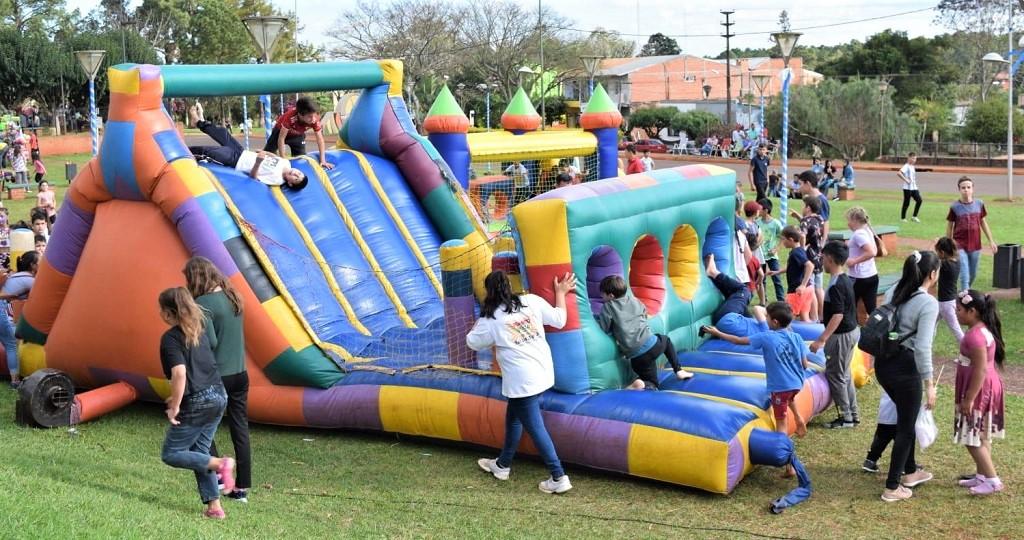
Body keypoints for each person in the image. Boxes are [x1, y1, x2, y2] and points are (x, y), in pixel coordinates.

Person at [469, 270, 576, 494]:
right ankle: (502, 465)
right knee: (515, 418)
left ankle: (558, 476)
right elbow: (559, 319)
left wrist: (483, 318)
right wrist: (560, 293)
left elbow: (472, 343)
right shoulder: (531, 301)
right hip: (543, 373)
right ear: (509, 286)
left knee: (535, 428)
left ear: (489, 292)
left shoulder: (491, 319)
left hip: (523, 381)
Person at [705, 302, 811, 473]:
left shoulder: (766, 336)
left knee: (781, 424)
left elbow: (739, 341)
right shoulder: (796, 337)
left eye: (767, 317)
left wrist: (717, 333)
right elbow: (805, 364)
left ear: (774, 322)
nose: (765, 319)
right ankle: (799, 419)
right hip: (797, 383)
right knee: (788, 397)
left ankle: (789, 465)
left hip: (781, 387)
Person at [157, 287, 235, 519]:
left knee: (171, 453)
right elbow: (195, 371)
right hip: (219, 395)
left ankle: (222, 464)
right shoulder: (198, 331)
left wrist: (175, 406)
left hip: (200, 401)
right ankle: (214, 508)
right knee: (201, 451)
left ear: (169, 314)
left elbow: (180, 373)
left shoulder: (171, 338)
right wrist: (176, 396)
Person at [184, 257, 250, 503]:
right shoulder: (234, 297)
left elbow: (210, 342)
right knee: (239, 427)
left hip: (217, 377)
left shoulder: (202, 304)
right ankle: (243, 486)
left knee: (201, 429)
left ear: (196, 278)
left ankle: (221, 478)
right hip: (240, 374)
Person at [876, 251, 938, 503]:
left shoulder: (894, 291)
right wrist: (930, 384)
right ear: (932, 275)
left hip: (884, 365)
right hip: (905, 368)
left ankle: (911, 471)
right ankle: (892, 487)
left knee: (906, 418)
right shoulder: (928, 303)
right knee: (906, 427)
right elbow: (922, 347)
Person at [597, 275, 694, 390]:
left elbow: (604, 328)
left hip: (637, 357)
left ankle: (642, 384)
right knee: (666, 340)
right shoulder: (633, 300)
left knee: (652, 383)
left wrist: (598, 320)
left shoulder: (608, 307)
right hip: (653, 345)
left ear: (611, 296)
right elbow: (644, 314)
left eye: (602, 294)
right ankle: (678, 370)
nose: (601, 296)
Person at [953, 289, 1006, 496]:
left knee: (970, 436)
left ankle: (993, 481)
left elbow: (981, 369)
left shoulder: (975, 336)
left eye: (959, 309)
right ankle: (982, 476)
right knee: (982, 435)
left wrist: (969, 399)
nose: (956, 313)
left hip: (979, 389)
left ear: (972, 311)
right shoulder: (982, 329)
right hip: (988, 386)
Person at [188, 105, 308, 190]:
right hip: (242, 151)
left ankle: (182, 152)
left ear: (290, 183)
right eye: (299, 173)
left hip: (236, 161)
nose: (296, 174)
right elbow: (274, 156)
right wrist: (264, 152)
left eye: (296, 178)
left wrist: (258, 162)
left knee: (207, 152)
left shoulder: (277, 180)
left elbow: (254, 178)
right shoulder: (286, 163)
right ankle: (198, 122)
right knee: (222, 133)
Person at [811, 241, 861, 429]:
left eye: (823, 258)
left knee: (835, 374)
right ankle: (852, 414)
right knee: (844, 373)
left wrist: (821, 339)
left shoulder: (836, 285)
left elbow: (838, 315)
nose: (822, 261)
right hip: (851, 331)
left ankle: (846, 417)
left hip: (842, 335)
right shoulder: (844, 279)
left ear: (830, 259)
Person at [946, 176, 998, 290]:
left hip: (975, 245)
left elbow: (983, 222)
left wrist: (991, 241)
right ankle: (965, 298)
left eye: (968, 187)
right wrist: (949, 244)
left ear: (973, 189)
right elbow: (950, 226)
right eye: (963, 187)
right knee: (964, 273)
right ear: (959, 189)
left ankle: (964, 293)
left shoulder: (979, 204)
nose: (966, 190)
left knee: (973, 273)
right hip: (959, 244)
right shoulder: (955, 207)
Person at [263, 97, 334, 170]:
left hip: (297, 135)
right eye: (309, 117)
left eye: (314, 115)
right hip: (279, 132)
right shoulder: (290, 117)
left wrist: (323, 160)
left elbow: (320, 139)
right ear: (300, 115)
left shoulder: (314, 120)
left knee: (300, 159)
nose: (313, 119)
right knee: (266, 155)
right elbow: (281, 138)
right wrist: (283, 158)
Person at [0, 251, 38, 388]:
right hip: (1, 310)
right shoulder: (31, 280)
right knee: (11, 345)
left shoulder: (14, 276)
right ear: (33, 265)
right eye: (39, 262)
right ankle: (15, 381)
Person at [770, 225, 815, 322]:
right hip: (808, 288)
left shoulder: (796, 253)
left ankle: (786, 336)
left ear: (791, 239)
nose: (782, 242)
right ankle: (809, 336)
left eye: (783, 239)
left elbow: (810, 266)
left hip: (797, 291)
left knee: (787, 318)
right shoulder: (800, 250)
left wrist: (802, 285)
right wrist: (777, 272)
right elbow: (793, 267)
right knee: (804, 317)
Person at [844, 207, 879, 320]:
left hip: (858, 278)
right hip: (872, 275)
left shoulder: (859, 234)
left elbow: (871, 252)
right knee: (871, 308)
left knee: (850, 306)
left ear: (855, 220)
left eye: (849, 220)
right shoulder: (868, 230)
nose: (848, 223)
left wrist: (853, 261)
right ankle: (881, 327)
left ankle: (852, 331)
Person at [796, 195, 826, 321]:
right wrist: (799, 218)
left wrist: (802, 249)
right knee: (819, 288)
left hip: (810, 257)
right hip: (819, 256)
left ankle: (813, 317)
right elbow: (813, 228)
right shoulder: (820, 219)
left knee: (810, 287)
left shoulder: (805, 221)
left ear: (808, 207)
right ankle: (822, 315)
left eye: (804, 206)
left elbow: (803, 235)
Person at [935, 237, 964, 342]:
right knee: (930, 324)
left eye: (937, 252)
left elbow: (931, 260)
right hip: (947, 301)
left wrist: (932, 244)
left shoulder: (944, 264)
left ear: (942, 253)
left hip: (945, 303)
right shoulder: (957, 262)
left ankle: (970, 352)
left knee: (957, 331)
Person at [758, 198, 785, 302]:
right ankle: (764, 299)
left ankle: (781, 300)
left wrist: (777, 248)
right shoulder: (757, 222)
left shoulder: (776, 223)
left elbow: (783, 237)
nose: (758, 211)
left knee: (776, 278)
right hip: (760, 255)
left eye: (760, 209)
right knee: (762, 279)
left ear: (766, 210)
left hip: (772, 256)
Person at [898, 152, 922, 223]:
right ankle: (903, 218)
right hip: (907, 188)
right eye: (913, 158)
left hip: (914, 188)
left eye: (915, 159)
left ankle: (914, 216)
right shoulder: (906, 166)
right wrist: (906, 180)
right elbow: (899, 173)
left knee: (919, 200)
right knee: (906, 203)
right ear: (909, 158)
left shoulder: (912, 166)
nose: (915, 160)